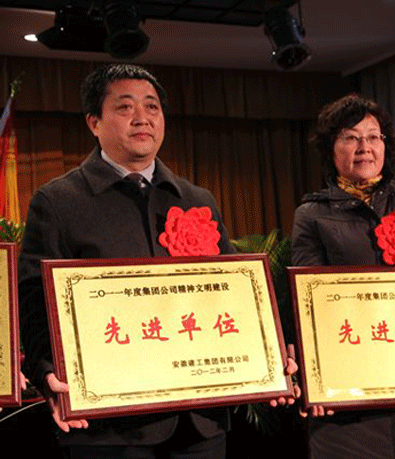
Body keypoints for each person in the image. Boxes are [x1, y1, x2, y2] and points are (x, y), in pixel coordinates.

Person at [18, 63, 294, 459]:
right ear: (94, 122)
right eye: (125, 107)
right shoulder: (58, 202)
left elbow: (232, 294)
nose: (142, 118)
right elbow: (33, 300)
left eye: (152, 107)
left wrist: (270, 355)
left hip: (198, 423)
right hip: (109, 428)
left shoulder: (196, 199)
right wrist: (46, 370)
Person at [291, 94, 395, 458]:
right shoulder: (313, 214)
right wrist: (316, 380)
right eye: (351, 137)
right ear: (331, 148)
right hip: (351, 393)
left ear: (385, 145)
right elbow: (309, 306)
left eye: (373, 137)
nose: (364, 147)